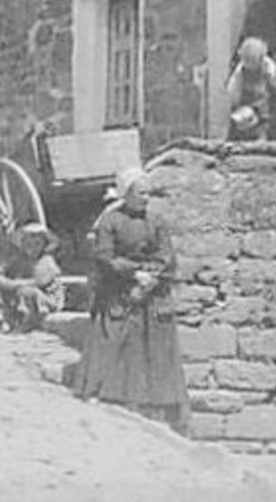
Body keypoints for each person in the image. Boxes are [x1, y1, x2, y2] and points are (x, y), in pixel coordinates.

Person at [72, 169, 189, 432]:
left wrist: (150, 278)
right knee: (111, 337)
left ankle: (154, 403)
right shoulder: (110, 221)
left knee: (155, 344)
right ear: (127, 194)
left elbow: (166, 255)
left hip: (150, 289)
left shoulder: (156, 221)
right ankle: (103, 393)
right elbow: (104, 257)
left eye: (149, 193)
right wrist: (133, 273)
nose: (147, 198)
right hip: (118, 288)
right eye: (141, 193)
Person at [0, 223, 65, 333]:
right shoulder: (21, 261)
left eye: (37, 244)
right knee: (6, 290)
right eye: (28, 244)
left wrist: (13, 284)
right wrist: (2, 280)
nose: (32, 248)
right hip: (23, 289)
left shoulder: (46, 261)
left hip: (48, 298)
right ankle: (10, 318)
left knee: (27, 292)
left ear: (44, 245)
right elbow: (4, 275)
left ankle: (28, 321)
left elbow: (38, 282)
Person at [226, 36, 276, 140]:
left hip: (268, 119)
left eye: (251, 60)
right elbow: (233, 96)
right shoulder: (240, 73)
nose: (248, 65)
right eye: (246, 60)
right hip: (247, 117)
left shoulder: (270, 70)